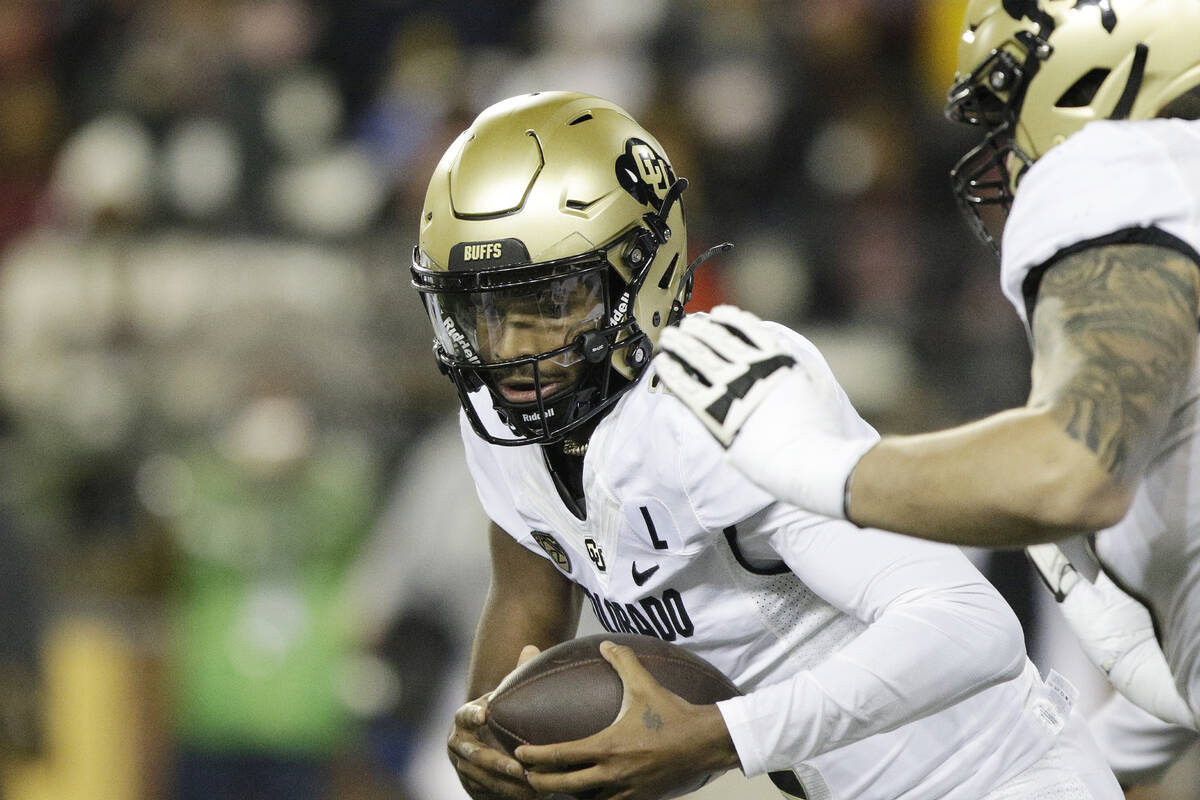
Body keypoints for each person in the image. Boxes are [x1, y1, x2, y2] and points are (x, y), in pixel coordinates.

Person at [412, 90, 1123, 800]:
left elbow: (970, 627)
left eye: (548, 303)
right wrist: (491, 746)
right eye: (482, 308)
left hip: (995, 779)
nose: (508, 349)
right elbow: (529, 597)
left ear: (639, 270)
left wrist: (720, 735)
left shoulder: (717, 401)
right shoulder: (513, 416)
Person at [654, 0, 1200, 744]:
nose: (1001, 159)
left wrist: (819, 468)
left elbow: (1070, 472)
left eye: (1008, 118)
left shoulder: (1116, 172)